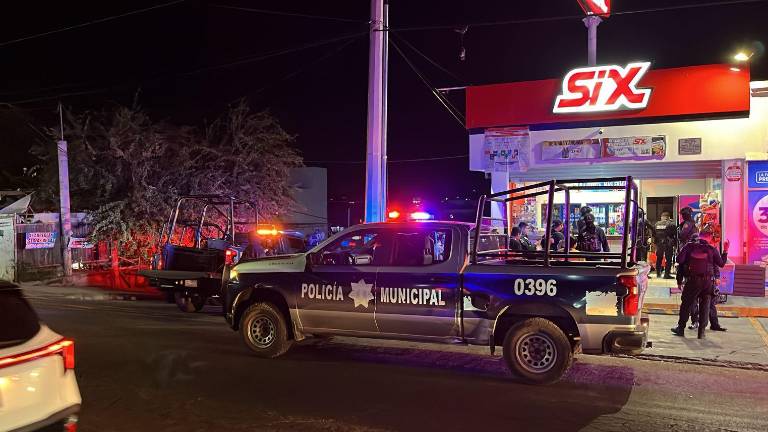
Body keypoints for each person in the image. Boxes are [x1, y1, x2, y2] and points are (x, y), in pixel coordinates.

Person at [671, 234, 729, 339]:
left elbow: (679, 260)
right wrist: (725, 250)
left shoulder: (689, 246)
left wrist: (679, 281)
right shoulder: (712, 249)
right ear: (708, 238)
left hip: (693, 281)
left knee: (686, 305)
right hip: (707, 283)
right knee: (705, 306)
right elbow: (721, 264)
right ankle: (701, 332)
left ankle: (681, 328)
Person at [688, 232, 728, 332]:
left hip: (706, 281)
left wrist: (717, 276)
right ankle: (695, 322)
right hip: (695, 280)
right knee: (694, 302)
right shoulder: (693, 249)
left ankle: (714, 324)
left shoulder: (710, 249)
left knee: (709, 303)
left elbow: (715, 264)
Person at [653, 211, 676, 279]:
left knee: (659, 258)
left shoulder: (656, 224)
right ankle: (666, 274)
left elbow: (654, 234)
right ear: (668, 217)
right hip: (668, 244)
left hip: (659, 244)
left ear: (662, 217)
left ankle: (658, 274)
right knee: (668, 259)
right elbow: (675, 235)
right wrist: (675, 244)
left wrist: (655, 243)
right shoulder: (671, 224)